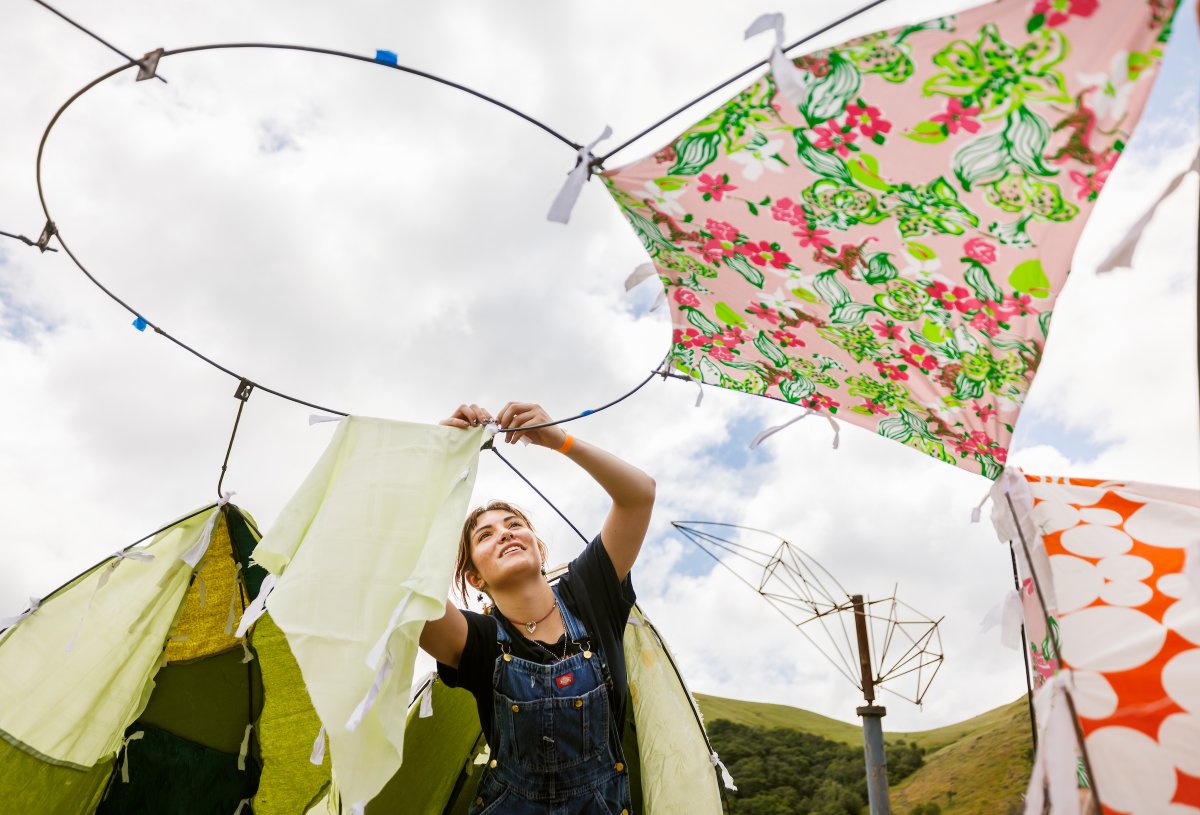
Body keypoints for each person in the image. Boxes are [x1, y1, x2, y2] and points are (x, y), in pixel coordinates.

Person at [419, 401, 656, 815]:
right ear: (476, 578)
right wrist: (432, 464)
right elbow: (401, 584)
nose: (506, 534)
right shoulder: (476, 638)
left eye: (514, 524)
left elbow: (639, 495)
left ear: (537, 547)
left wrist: (559, 439)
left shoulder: (589, 593)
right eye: (485, 535)